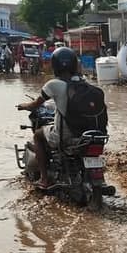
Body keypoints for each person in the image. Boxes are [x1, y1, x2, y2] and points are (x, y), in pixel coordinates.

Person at [16, 46, 107, 190]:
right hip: (92, 135)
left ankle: (44, 179)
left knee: (38, 135)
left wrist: (24, 106)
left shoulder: (53, 85)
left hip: (67, 135)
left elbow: (35, 104)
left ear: (55, 65)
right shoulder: (85, 85)